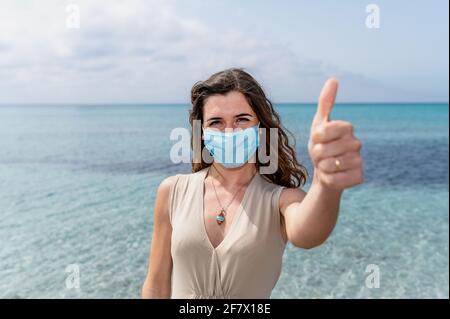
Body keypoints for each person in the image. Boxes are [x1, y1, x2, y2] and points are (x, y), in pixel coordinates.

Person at [141, 68, 364, 299]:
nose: (229, 131)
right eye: (216, 122)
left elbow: (308, 235)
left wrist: (325, 183)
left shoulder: (282, 200)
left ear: (261, 128)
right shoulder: (173, 191)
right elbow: (156, 284)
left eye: (242, 119)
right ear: (202, 132)